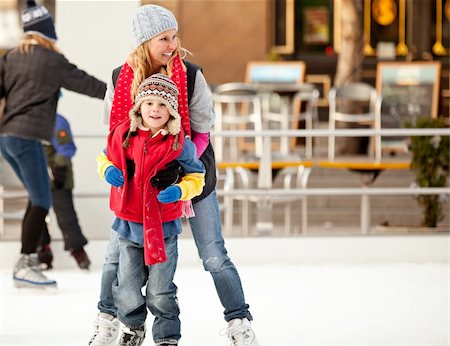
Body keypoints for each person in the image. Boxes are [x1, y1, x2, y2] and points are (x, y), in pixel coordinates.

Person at [88, 4, 259, 346]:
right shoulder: (120, 77)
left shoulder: (190, 74)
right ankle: (108, 320)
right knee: (115, 255)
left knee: (213, 255)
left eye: (173, 35)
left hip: (191, 174)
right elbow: (112, 132)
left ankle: (239, 321)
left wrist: (178, 166)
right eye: (163, 38)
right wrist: (118, 168)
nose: (172, 44)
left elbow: (204, 129)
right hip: (138, 182)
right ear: (144, 41)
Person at [0, 0, 106, 288]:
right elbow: (86, 83)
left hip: (7, 139)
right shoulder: (52, 60)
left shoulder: (10, 57)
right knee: (42, 199)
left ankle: (29, 259)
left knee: (38, 197)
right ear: (48, 31)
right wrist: (117, 94)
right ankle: (25, 263)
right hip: (28, 139)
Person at [98, 73, 205, 346]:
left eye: (162, 104)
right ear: (139, 107)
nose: (155, 109)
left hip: (163, 226)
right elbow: (104, 157)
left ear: (171, 111)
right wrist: (108, 169)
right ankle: (133, 327)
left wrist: (181, 190)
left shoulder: (179, 142)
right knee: (128, 287)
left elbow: (198, 176)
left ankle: (167, 336)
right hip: (129, 223)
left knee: (160, 291)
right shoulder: (123, 135)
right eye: (149, 104)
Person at [37, 112, 91, 270]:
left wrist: (59, 169)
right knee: (36, 215)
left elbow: (66, 147)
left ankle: (78, 251)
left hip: (59, 177)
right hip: (38, 175)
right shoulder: (29, 118)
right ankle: (43, 251)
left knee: (66, 215)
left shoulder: (56, 120)